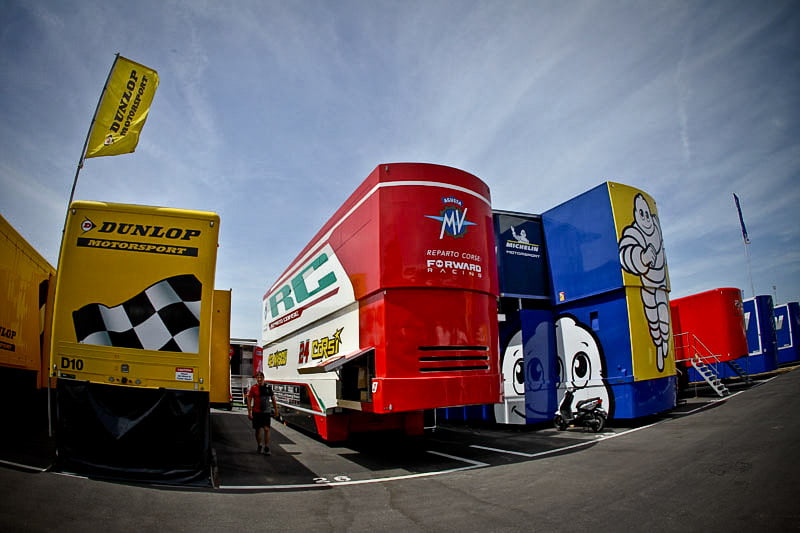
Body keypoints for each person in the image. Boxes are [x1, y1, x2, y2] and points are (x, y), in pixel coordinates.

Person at [247, 371, 279, 455]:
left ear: (263, 378)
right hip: (256, 412)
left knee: (266, 429)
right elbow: (249, 399)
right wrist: (249, 412)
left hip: (266, 412)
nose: (259, 379)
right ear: (256, 379)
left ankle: (267, 447)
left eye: (261, 377)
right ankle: (259, 445)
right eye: (258, 378)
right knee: (258, 430)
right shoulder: (253, 388)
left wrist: (276, 410)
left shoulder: (268, 388)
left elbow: (273, 399)